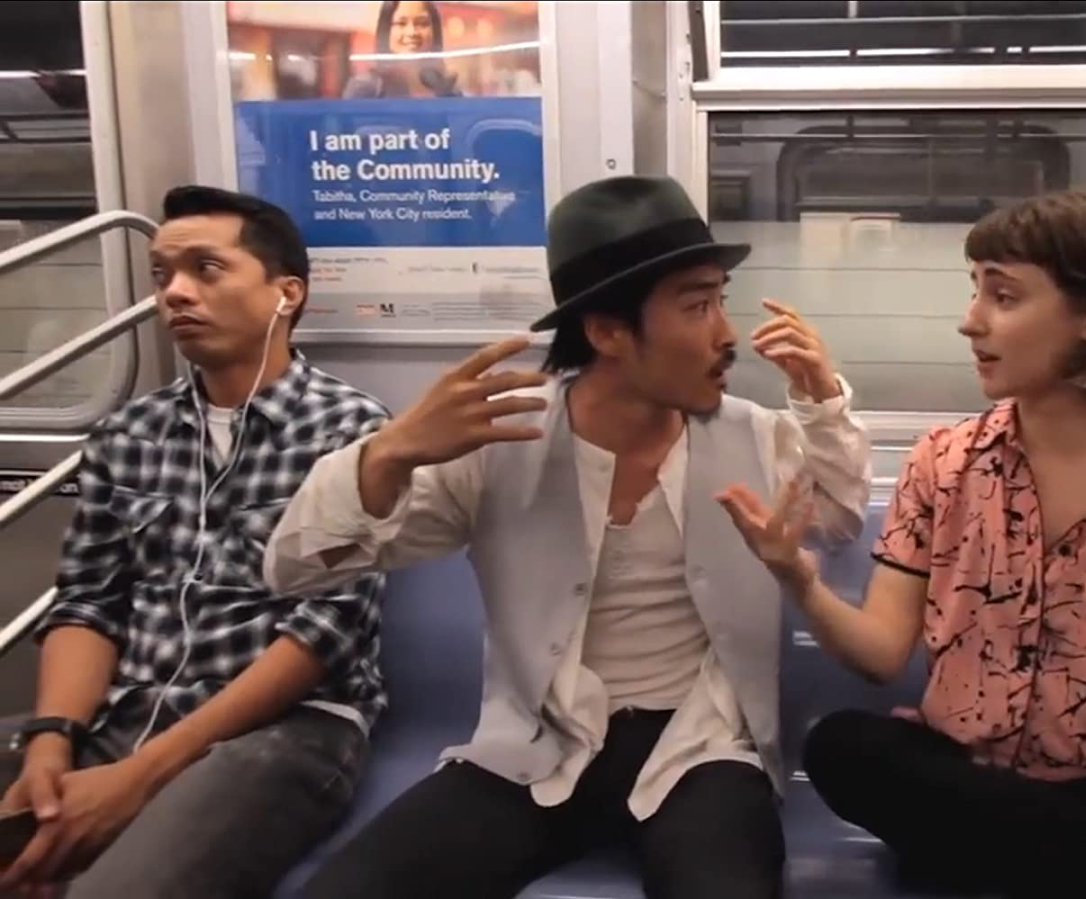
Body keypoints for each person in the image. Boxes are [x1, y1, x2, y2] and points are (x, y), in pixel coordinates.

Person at [264, 174, 872, 899]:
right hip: (536, 744)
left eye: (720, 300)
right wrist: (388, 453)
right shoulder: (501, 440)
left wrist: (821, 401)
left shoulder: (755, 436)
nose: (727, 333)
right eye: (697, 306)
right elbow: (294, 565)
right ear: (608, 332)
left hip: (701, 747)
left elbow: (839, 518)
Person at [719, 188, 1086, 899]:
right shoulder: (945, 462)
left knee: (1026, 833)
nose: (970, 321)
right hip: (963, 782)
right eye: (975, 289)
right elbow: (881, 654)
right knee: (844, 746)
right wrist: (799, 581)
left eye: (1003, 296)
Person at [0, 186, 390, 897]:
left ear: (286, 293)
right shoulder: (130, 434)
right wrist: (53, 736)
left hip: (282, 729)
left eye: (206, 269)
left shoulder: (349, 432)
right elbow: (89, 601)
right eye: (162, 274)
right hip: (124, 708)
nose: (175, 293)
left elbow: (327, 629)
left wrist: (139, 776)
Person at [343, 0, 461, 99]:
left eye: (422, 23)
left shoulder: (450, 91)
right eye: (401, 23)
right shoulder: (365, 88)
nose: (412, 32)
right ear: (386, 30)